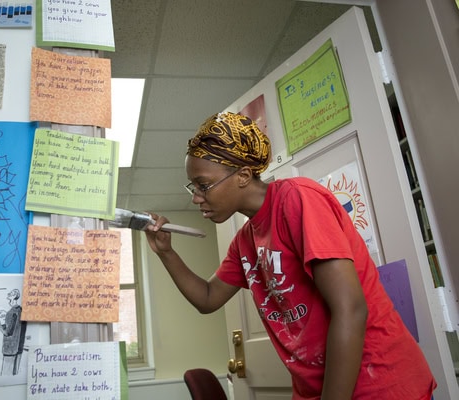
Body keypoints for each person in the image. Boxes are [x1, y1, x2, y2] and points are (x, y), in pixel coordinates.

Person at [144, 112, 436, 400]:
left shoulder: (298, 199)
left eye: (203, 185)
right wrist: (166, 252)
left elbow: (351, 308)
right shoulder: (245, 241)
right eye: (192, 187)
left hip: (378, 384)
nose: (195, 197)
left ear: (244, 175)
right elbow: (208, 298)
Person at [0, 288, 27, 376]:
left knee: (6, 374)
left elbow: (7, 333)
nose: (8, 295)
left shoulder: (11, 313)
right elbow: (16, 327)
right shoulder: (21, 310)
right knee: (15, 374)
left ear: (13, 297)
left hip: (10, 348)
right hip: (19, 347)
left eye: (10, 294)